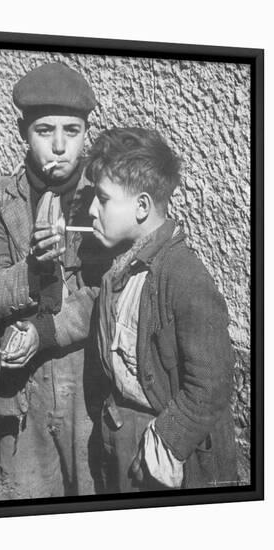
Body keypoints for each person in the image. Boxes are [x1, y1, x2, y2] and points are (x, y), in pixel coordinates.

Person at [0, 62, 110, 500]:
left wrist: (44, 330)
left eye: (72, 131)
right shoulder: (1, 199)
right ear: (21, 131)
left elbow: (110, 292)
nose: (58, 146)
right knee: (24, 498)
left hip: (89, 376)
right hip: (24, 382)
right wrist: (31, 269)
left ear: (87, 131)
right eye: (44, 130)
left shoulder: (105, 195)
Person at [84, 127, 238, 492]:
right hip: (121, 433)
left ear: (141, 207)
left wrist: (167, 439)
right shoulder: (118, 267)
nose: (91, 209)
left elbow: (213, 384)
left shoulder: (185, 278)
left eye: (102, 199)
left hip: (165, 448)